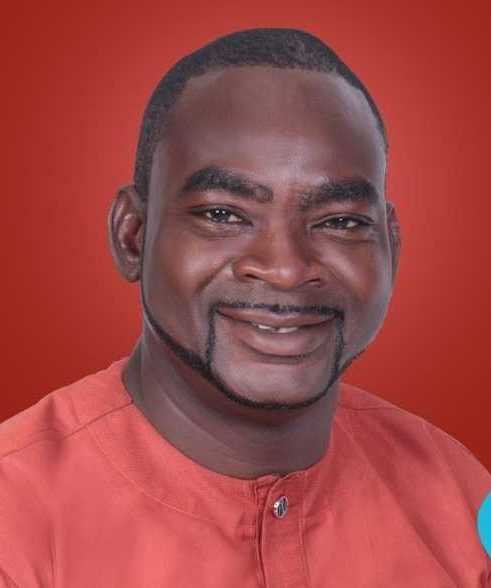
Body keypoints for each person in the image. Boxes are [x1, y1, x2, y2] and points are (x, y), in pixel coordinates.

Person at [0, 28, 489, 587]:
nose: (286, 268)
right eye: (223, 215)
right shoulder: (15, 521)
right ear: (133, 235)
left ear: (391, 248)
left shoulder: (456, 492)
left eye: (340, 221)